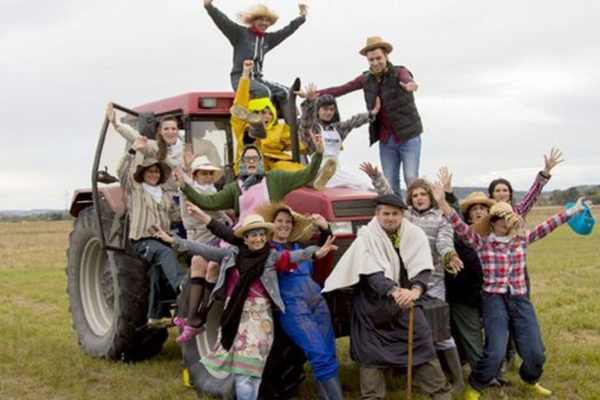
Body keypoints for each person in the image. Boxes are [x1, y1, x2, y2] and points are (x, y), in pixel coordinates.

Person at [432, 183, 593, 400]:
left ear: (511, 221)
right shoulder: (482, 243)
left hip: (519, 298)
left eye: (506, 219)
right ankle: (476, 386)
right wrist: (442, 202)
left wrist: (573, 210)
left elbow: (548, 225)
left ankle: (530, 379)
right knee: (496, 351)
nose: (502, 223)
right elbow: (459, 225)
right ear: (492, 222)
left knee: (535, 352)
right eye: (497, 219)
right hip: (494, 299)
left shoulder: (522, 240)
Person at [154, 213, 337, 400]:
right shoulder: (231, 255)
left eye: (261, 234)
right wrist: (174, 241)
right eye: (253, 234)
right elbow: (201, 248)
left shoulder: (271, 257)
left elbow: (296, 255)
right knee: (243, 372)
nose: (257, 238)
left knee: (255, 371)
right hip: (238, 316)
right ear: (246, 238)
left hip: (262, 320)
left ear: (265, 237)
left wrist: (316, 253)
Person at [323, 194, 451, 400]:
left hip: (407, 303)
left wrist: (415, 291)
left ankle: (440, 395)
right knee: (371, 360)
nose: (390, 218)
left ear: (402, 215)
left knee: (422, 349)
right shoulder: (366, 237)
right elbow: (371, 273)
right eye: (386, 213)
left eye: (395, 214)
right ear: (377, 214)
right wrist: (395, 292)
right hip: (372, 309)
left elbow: (423, 268)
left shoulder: (414, 234)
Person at [361, 164, 465, 392]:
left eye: (423, 194)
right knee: (410, 328)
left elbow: (445, 243)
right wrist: (377, 175)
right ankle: (416, 374)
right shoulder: (404, 215)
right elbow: (388, 194)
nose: (418, 198)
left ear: (430, 196)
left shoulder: (440, 219)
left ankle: (456, 381)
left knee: (439, 332)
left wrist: (449, 256)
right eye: (414, 195)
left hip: (432, 280)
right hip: (403, 282)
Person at [317, 36, 423, 198]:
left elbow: (406, 78)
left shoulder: (399, 72)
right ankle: (397, 217)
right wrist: (315, 94)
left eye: (378, 58)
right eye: (371, 60)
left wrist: (410, 84)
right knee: (390, 182)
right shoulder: (366, 79)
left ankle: (414, 217)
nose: (375, 63)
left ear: (386, 56)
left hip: (408, 136)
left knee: (411, 179)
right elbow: (343, 88)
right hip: (386, 139)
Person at [258, 202, 343, 399]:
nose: (284, 225)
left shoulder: (299, 245)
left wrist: (324, 228)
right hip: (293, 306)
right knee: (319, 354)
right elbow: (296, 256)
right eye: (279, 221)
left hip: (317, 301)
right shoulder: (268, 250)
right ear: (272, 224)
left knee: (329, 353)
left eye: (288, 222)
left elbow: (322, 248)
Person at [175, 131, 324, 224]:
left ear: (260, 162)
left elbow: (306, 175)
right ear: (242, 163)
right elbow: (209, 203)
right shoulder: (235, 188)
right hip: (247, 238)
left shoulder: (276, 178)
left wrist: (318, 154)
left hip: (273, 236)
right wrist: (185, 187)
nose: (251, 162)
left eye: (255, 159)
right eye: (247, 159)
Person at [117, 136, 185, 325]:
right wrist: (133, 151)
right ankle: (183, 285)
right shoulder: (135, 190)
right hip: (143, 240)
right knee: (164, 253)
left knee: (157, 271)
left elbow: (177, 215)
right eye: (150, 171)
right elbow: (122, 173)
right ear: (143, 174)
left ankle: (154, 314)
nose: (153, 174)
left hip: (161, 238)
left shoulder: (164, 194)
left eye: (156, 171)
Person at [203, 0, 307, 123]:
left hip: (258, 79)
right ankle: (259, 127)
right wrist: (209, 7)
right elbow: (223, 21)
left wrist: (301, 18)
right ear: (253, 21)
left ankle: (293, 130)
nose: (264, 23)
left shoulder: (268, 39)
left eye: (267, 20)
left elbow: (286, 31)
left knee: (285, 92)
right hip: (241, 79)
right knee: (264, 91)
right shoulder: (240, 33)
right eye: (261, 20)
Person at [173, 152, 233, 343]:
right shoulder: (196, 192)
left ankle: (197, 316)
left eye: (209, 174)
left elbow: (221, 212)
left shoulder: (212, 191)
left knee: (205, 267)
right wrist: (185, 171)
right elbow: (186, 189)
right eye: (203, 174)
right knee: (201, 264)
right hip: (202, 238)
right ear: (195, 176)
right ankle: (194, 317)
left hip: (214, 238)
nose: (207, 177)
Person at [107, 102, 220, 193]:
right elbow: (134, 136)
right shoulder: (155, 148)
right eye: (166, 129)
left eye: (173, 129)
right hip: (166, 196)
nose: (170, 132)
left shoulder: (194, 148)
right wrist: (116, 124)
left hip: (189, 194)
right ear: (160, 131)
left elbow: (213, 169)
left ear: (177, 130)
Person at [298, 84, 380, 190]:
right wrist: (309, 103)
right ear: (318, 110)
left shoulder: (338, 129)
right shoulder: (313, 129)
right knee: (326, 173)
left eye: (332, 110)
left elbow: (353, 122)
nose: (329, 112)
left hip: (335, 169)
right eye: (325, 109)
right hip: (317, 167)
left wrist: (370, 114)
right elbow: (306, 120)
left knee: (364, 187)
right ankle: (320, 179)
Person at [230, 60, 306, 173]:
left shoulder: (279, 130)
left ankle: (313, 177)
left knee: (297, 170)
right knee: (249, 140)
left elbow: (302, 143)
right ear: (254, 112)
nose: (268, 116)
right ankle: (256, 130)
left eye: (270, 113)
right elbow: (240, 103)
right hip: (248, 169)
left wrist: (310, 102)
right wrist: (245, 74)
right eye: (264, 113)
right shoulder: (242, 124)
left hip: (272, 170)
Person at [488, 148, 564, 218]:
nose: (501, 193)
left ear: (510, 193)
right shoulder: (486, 213)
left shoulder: (518, 210)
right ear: (492, 194)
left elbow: (533, 192)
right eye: (497, 191)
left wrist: (546, 170)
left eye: (505, 190)